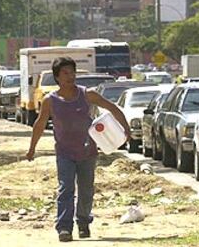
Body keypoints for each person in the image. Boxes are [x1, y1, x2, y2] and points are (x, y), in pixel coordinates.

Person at [25, 57, 130, 242]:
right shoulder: (50, 100)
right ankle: (64, 228)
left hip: (87, 151)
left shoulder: (87, 94)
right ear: (57, 77)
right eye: (65, 73)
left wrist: (125, 129)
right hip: (64, 152)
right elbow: (39, 124)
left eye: (72, 72)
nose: (70, 76)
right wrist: (32, 148)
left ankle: (83, 222)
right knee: (65, 189)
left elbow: (112, 108)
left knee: (86, 189)